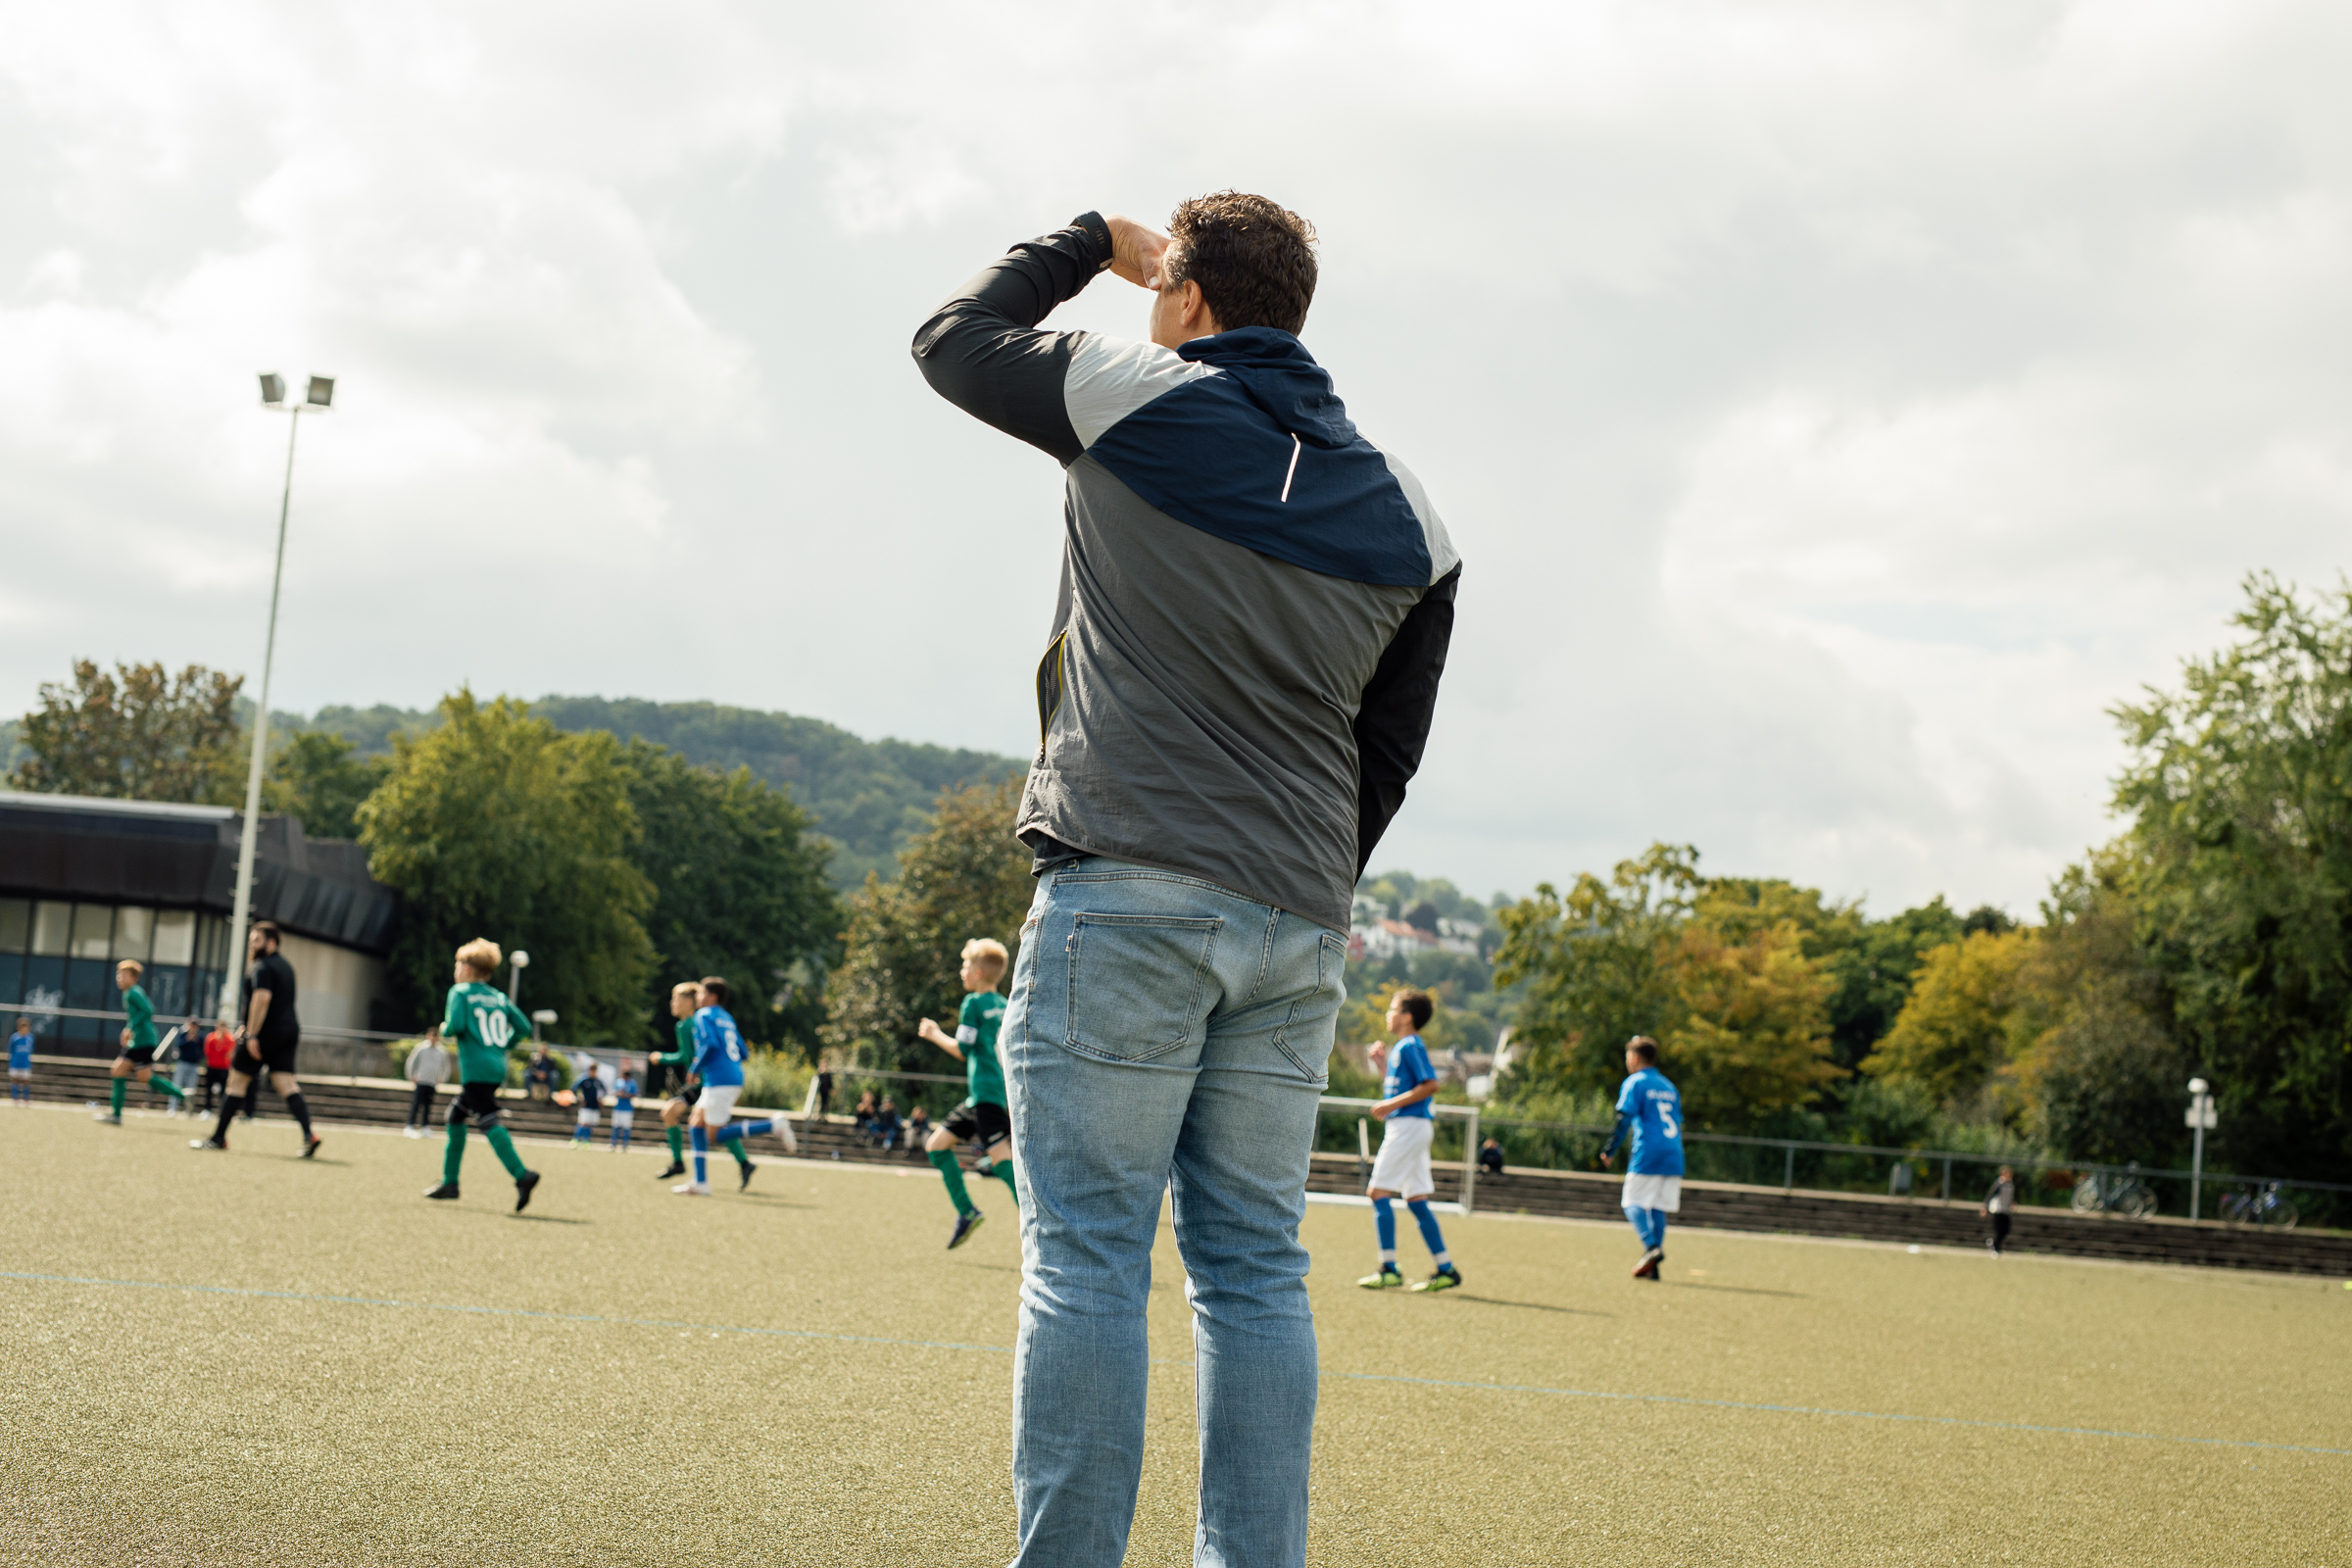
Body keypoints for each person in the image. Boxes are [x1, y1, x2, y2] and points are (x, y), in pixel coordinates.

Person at [912, 193, 1459, 1565]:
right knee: (1257, 1276)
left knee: (1089, 1261)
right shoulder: (1415, 513)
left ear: (1188, 298)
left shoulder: (1134, 392)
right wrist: (1306, 881)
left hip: (1132, 890)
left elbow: (951, 336)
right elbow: (1388, 750)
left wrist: (1094, 238)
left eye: (1163, 283)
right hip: (1296, 922)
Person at [423, 938, 542, 1211]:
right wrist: (503, 1046)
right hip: (496, 1066)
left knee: (489, 1120)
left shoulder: (460, 992)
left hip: (476, 1068)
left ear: (466, 968)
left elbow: (456, 1026)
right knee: (455, 1117)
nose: (456, 969)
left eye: (458, 964)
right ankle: (450, 1182)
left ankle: (522, 1175)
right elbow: (522, 1026)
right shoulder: (498, 996)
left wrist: (443, 1028)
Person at [913, 938, 1018, 1248]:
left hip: (987, 1094)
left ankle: (1039, 1224)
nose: (961, 971)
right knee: (936, 1146)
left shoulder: (972, 1004)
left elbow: (962, 1050)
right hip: (987, 1096)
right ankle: (967, 1212)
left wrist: (933, 1034)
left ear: (977, 972)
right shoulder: (1005, 1004)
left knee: (1001, 1161)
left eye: (965, 965)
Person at [1355, 990, 1461, 1293]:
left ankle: (1389, 1268)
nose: (1388, 1015)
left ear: (1407, 1017)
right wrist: (1381, 1064)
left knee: (1377, 1192)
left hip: (1408, 1126)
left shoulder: (1411, 1044)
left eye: (1392, 1009)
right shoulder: (1402, 1047)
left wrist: (1389, 1106)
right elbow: (1399, 1087)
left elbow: (1430, 1084)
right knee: (1415, 1200)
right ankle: (1446, 1268)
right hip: (1410, 1126)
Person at [190, 921, 318, 1156]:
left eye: (256, 940)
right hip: (289, 1030)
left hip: (265, 1033)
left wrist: (251, 1034)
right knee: (286, 1083)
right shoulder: (286, 967)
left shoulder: (262, 966)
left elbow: (262, 999)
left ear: (271, 942)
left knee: (236, 1083)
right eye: (250, 941)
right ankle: (310, 1135)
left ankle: (219, 1138)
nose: (251, 945)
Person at [671, 976, 790, 1197]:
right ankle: (700, 1182)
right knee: (696, 1122)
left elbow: (711, 1045)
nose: (697, 996)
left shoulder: (703, 1014)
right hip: (728, 1076)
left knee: (714, 1135)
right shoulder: (726, 1017)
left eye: (701, 993)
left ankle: (773, 1125)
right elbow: (743, 1051)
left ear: (712, 996)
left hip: (719, 1080)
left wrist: (695, 1068)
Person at [1597, 1037, 1684, 1280]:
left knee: (1631, 1202)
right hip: (1674, 1152)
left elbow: (1624, 1118)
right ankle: (1652, 1267)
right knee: (1658, 1206)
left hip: (1649, 1151)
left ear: (1634, 1057)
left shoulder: (1635, 1082)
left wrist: (1609, 1149)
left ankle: (1651, 1247)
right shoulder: (1669, 1086)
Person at [650, 981, 752, 1186]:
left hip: (705, 1082)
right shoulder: (709, 1018)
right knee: (710, 1125)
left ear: (690, 1002)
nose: (672, 1003)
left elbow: (688, 1055)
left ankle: (683, 1166)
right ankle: (741, 1163)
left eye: (676, 998)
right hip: (714, 1080)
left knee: (688, 1120)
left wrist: (662, 1058)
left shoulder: (691, 1022)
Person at [98, 959, 187, 1124]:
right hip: (137, 1042)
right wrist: (130, 1029)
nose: (119, 978)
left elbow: (148, 1010)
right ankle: (116, 1115)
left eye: (123, 975)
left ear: (133, 978)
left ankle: (183, 1095)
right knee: (119, 1071)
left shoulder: (134, 992)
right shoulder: (128, 993)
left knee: (143, 1077)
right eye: (118, 974)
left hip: (144, 1041)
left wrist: (130, 1028)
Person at [403, 1025, 451, 1139]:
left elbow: (446, 1066)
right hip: (421, 1080)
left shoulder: (442, 1051)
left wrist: (443, 1078)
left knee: (427, 1106)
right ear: (428, 1036)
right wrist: (410, 1076)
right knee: (416, 1104)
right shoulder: (421, 1048)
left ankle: (425, 1127)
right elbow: (411, 1062)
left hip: (432, 1082)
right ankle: (410, 1126)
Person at [200, 1020, 235, 1114]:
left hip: (223, 1067)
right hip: (212, 1066)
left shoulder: (230, 1039)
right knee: (208, 1089)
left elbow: (229, 1054)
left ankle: (222, 1111)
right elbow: (207, 1052)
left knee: (224, 1091)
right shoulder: (211, 1038)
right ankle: (207, 1110)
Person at [171, 1016, 205, 1112]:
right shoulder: (183, 1034)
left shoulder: (200, 1037)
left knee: (191, 1088)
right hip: (182, 1063)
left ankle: (188, 1110)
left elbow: (202, 1051)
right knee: (176, 1086)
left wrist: (198, 1059)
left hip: (193, 1065)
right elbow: (179, 1045)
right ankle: (173, 1108)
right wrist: (188, 1039)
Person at [1984, 1165, 2016, 1256]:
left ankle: (1994, 1244)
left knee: (2006, 1229)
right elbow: (1991, 1195)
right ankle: (1996, 1247)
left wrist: (2013, 1203)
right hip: (1998, 1209)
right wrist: (1985, 1207)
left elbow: (2011, 1196)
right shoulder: (1999, 1184)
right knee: (1999, 1230)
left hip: (2006, 1210)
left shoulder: (2011, 1184)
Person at [570, 1063, 606, 1145]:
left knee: (590, 1124)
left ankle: (586, 1141)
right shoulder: (584, 1079)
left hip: (595, 1106)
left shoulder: (597, 1081)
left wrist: (601, 1099)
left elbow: (604, 1091)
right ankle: (576, 1139)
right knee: (583, 1123)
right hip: (586, 1106)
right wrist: (579, 1098)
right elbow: (574, 1088)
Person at [609, 1062, 640, 1151]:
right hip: (618, 1108)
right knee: (615, 1127)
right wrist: (619, 1093)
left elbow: (636, 1093)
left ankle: (625, 1145)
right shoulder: (618, 1082)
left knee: (626, 1128)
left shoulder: (632, 1083)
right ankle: (613, 1144)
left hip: (627, 1109)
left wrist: (626, 1095)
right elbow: (614, 1092)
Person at [7, 1017, 31, 1105]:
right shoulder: (14, 1038)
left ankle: (26, 1099)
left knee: (26, 1081)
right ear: (19, 1028)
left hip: (25, 1064)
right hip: (15, 1063)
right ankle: (15, 1098)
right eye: (23, 1027)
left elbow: (31, 1050)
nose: (25, 1029)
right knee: (14, 1081)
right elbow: (10, 1050)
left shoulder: (30, 1038)